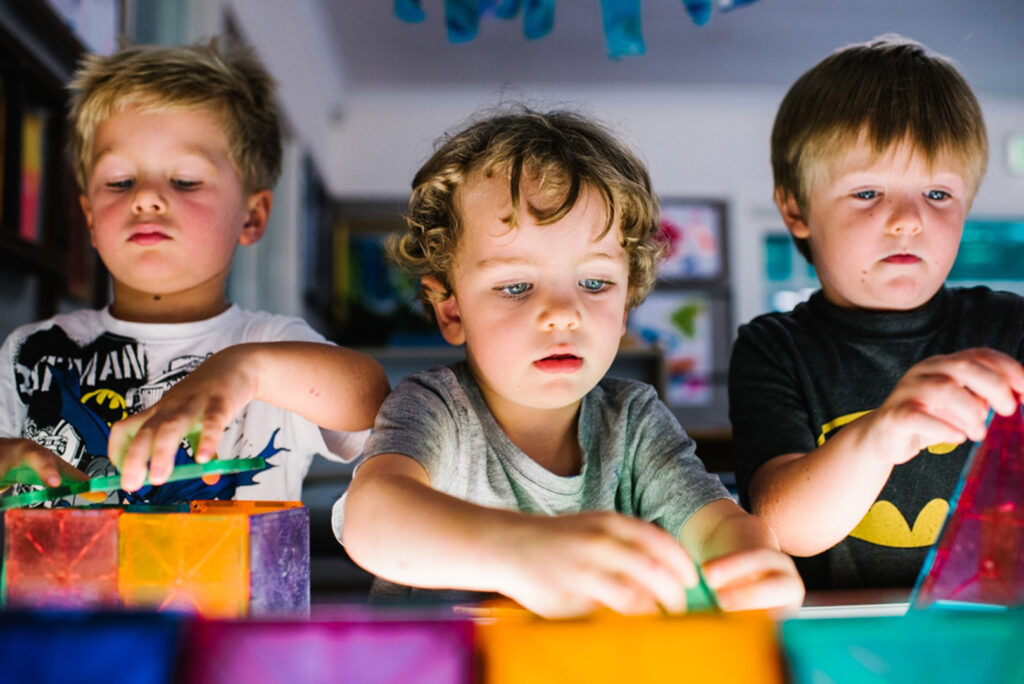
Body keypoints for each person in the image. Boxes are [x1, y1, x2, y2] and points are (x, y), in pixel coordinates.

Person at [335, 108, 804, 618]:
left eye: (596, 283)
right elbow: (373, 516)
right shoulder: (435, 408)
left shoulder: (634, 421)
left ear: (625, 305)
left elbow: (715, 525)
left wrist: (751, 560)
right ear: (451, 308)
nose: (563, 315)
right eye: (516, 286)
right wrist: (524, 552)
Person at [0, 40, 389, 505]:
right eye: (120, 182)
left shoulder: (266, 342)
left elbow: (371, 399)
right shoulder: (30, 351)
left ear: (252, 217)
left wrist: (245, 370)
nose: (145, 198)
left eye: (185, 181)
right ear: (89, 217)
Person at [729, 35, 1024, 590]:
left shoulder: (1011, 329)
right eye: (868, 193)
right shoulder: (774, 347)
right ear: (795, 209)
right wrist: (883, 433)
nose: (908, 220)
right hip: (837, 646)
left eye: (938, 194)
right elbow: (780, 527)